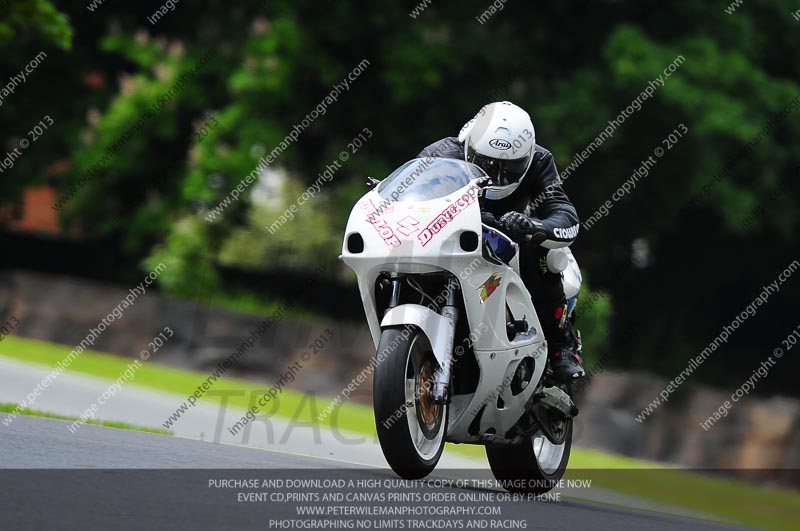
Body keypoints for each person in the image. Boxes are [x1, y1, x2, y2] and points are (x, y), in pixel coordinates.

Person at [417, 101, 585, 381]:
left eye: (509, 167)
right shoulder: (441, 153)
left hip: (508, 244)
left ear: (527, 156)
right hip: (449, 241)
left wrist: (534, 226)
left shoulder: (540, 161)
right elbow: (406, 191)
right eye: (486, 164)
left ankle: (561, 346)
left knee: (544, 254)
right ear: (470, 146)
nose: (495, 175)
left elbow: (565, 214)